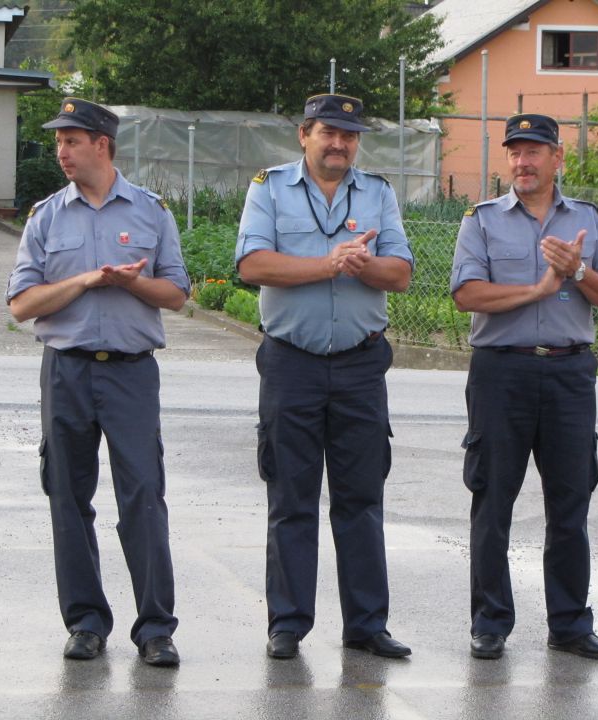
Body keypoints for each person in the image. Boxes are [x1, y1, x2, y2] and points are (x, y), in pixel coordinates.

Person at [6, 98, 189, 667]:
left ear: (101, 145)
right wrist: (85, 281)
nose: (61, 152)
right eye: (59, 141)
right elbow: (21, 304)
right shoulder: (46, 217)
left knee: (143, 498)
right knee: (68, 497)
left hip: (132, 373)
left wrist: (131, 283)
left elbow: (178, 294)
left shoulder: (150, 212)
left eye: (71, 141)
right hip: (67, 371)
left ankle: (156, 628)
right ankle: (85, 622)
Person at [236, 93, 414, 660]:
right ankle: (287, 623)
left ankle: (367, 625)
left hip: (361, 365)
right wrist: (328, 264)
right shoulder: (269, 188)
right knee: (291, 497)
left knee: (361, 499)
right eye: (328, 133)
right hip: (293, 363)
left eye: (349, 135)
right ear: (304, 135)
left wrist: (367, 265)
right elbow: (252, 265)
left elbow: (402, 273)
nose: (339, 143)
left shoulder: (378, 192)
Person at [450, 113, 598, 661]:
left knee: (570, 504)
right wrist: (537, 289)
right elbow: (466, 295)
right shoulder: (480, 221)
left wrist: (576, 271)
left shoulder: (587, 221)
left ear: (557, 159)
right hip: (502, 372)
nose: (522, 162)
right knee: (493, 500)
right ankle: (490, 622)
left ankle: (570, 624)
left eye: (534, 152)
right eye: (514, 152)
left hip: (570, 374)